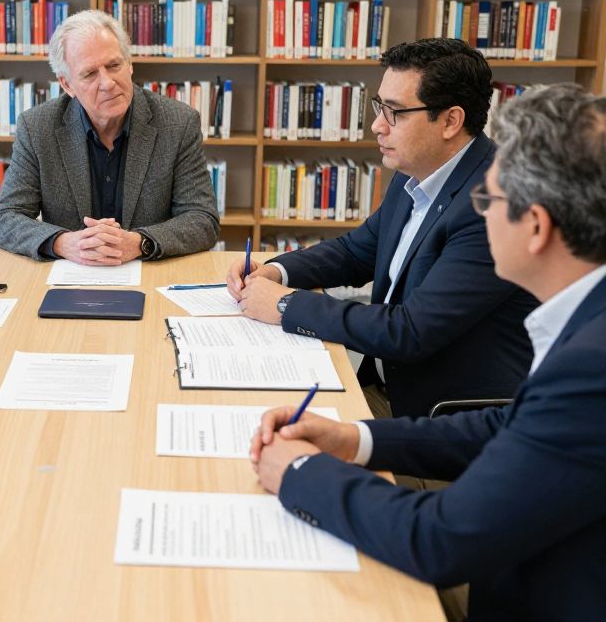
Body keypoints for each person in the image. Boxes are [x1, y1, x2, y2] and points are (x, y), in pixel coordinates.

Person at [250, 84, 606, 622]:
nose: (480, 213)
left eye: (491, 200)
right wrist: (355, 437)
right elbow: (513, 426)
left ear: (536, 228)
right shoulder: (588, 322)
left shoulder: (591, 366)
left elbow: (439, 539)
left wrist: (299, 472)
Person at [227, 38, 536, 418]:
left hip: (439, 419)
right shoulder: (419, 172)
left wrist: (284, 304)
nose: (377, 126)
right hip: (382, 386)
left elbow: (410, 331)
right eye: (379, 107)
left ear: (451, 121)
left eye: (395, 113)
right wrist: (277, 269)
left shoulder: (492, 205)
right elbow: (357, 250)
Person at [0, 9, 220, 264]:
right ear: (67, 84)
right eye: (89, 74)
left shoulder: (178, 123)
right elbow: (5, 218)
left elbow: (202, 219)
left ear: (129, 65)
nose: (108, 83)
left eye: (114, 66)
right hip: (70, 277)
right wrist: (64, 243)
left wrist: (140, 242)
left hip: (150, 275)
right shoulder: (37, 127)